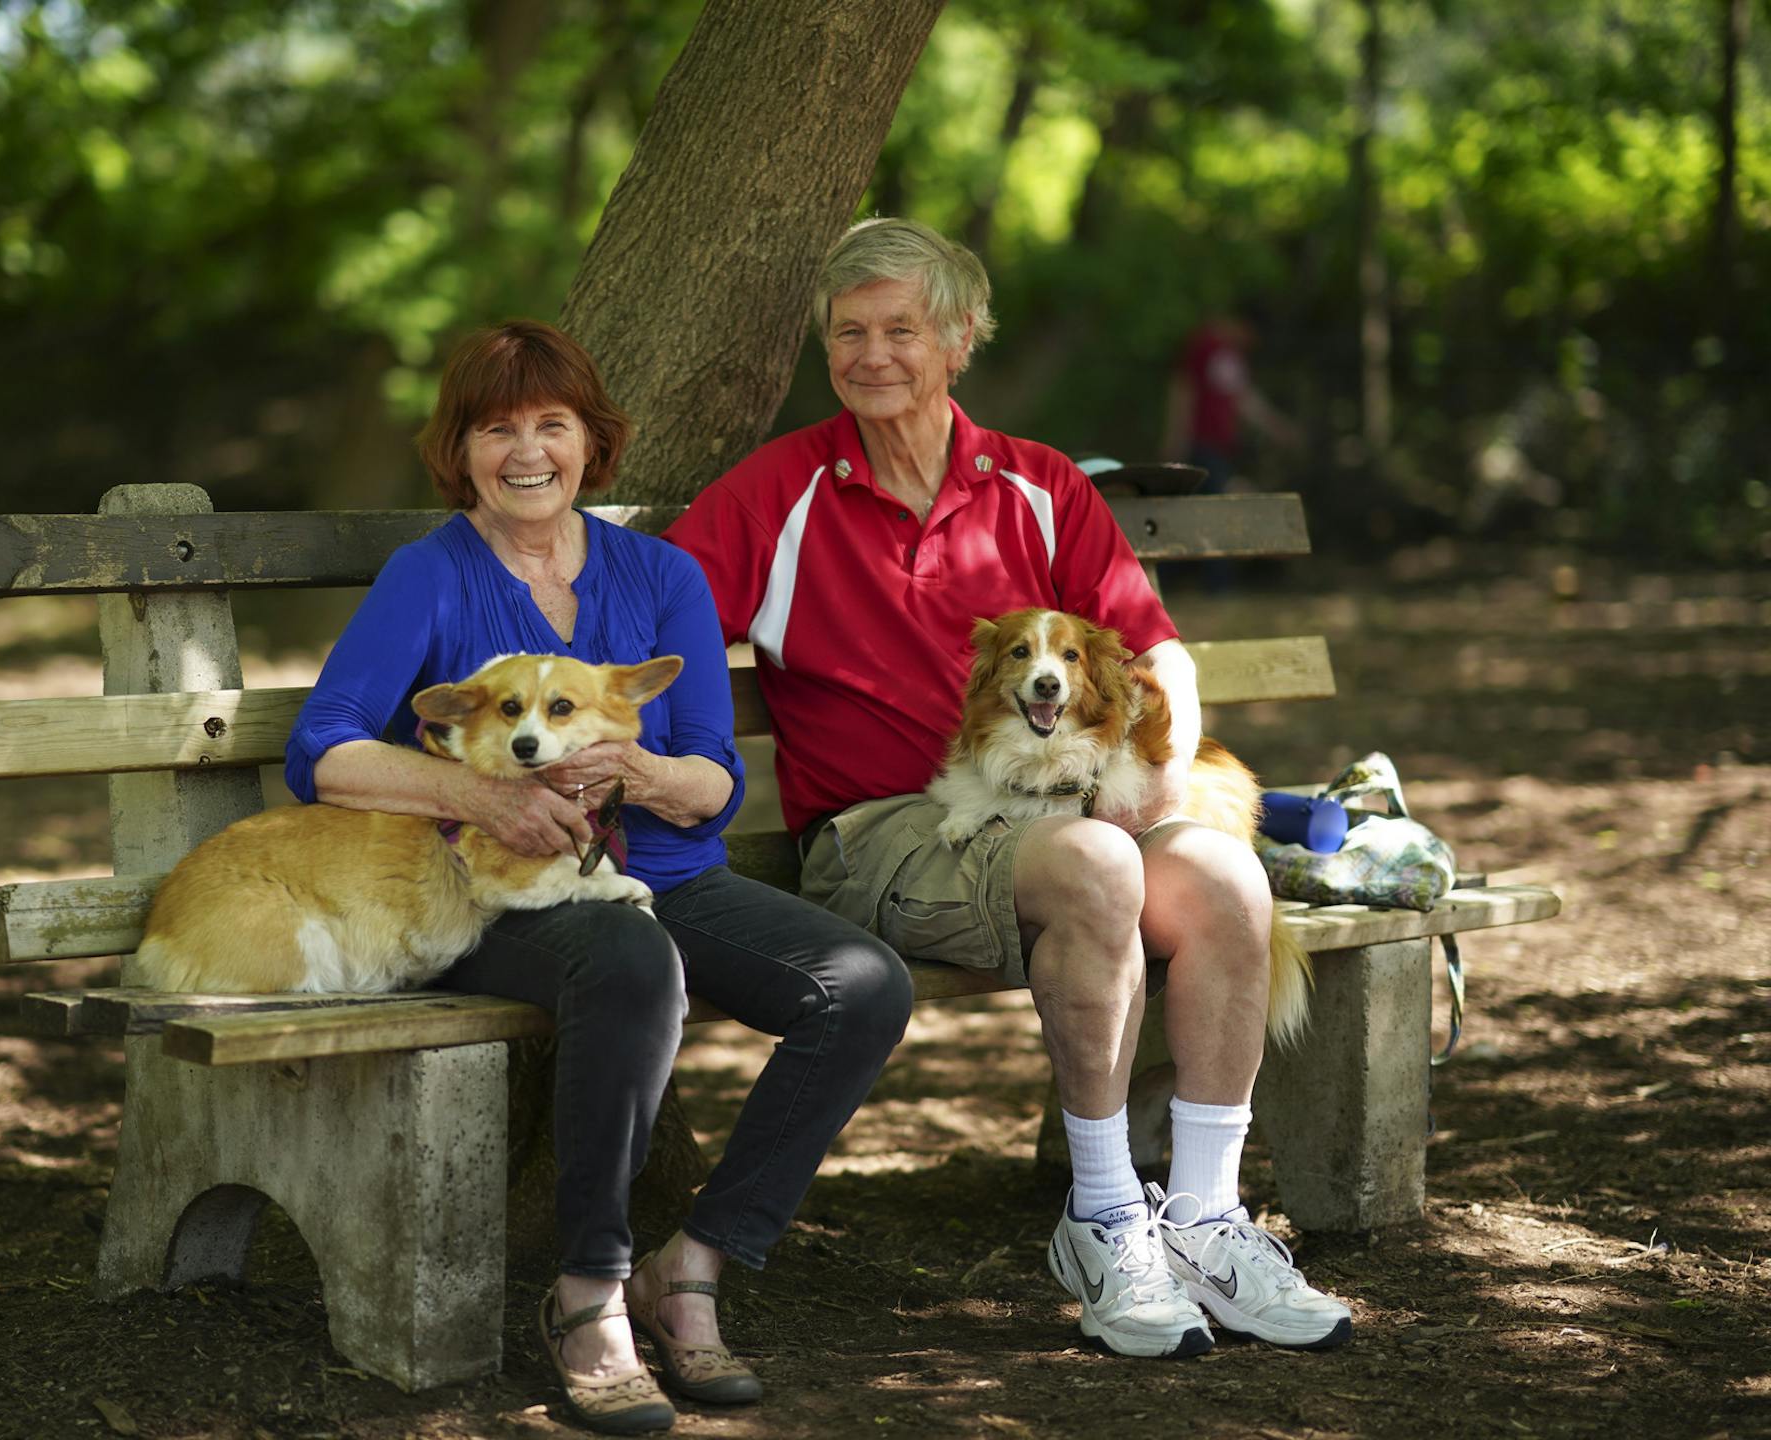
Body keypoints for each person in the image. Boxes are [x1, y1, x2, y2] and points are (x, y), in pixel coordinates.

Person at [666, 219, 1352, 1359]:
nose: (872, 354)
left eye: (902, 329)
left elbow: (1155, 650)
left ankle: (1207, 1222)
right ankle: (1101, 1217)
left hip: (1069, 816)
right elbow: (659, 625)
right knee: (1097, 868)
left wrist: (1164, 772)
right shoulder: (781, 494)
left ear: (961, 338)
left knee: (1227, 876)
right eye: (848, 333)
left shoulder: (1037, 486)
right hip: (887, 833)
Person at [285, 320, 913, 1432]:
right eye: (496, 430)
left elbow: (717, 780)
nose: (526, 453)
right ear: (461, 450)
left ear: (591, 442)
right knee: (630, 960)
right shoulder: (429, 576)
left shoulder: (661, 575)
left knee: (861, 982)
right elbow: (322, 748)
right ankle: (588, 1293)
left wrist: (645, 772)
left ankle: (698, 1264)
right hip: (490, 891)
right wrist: (486, 797)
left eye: (551, 425)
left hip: (664, 871)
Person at [1161, 310, 1302, 590]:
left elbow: (1243, 399)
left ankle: (1188, 582)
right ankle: (1217, 585)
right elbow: (1183, 392)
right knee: (1213, 514)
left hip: (1219, 449)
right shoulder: (1205, 346)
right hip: (1201, 447)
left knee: (1197, 513)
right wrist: (1175, 440)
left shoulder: (1229, 355)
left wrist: (1278, 428)